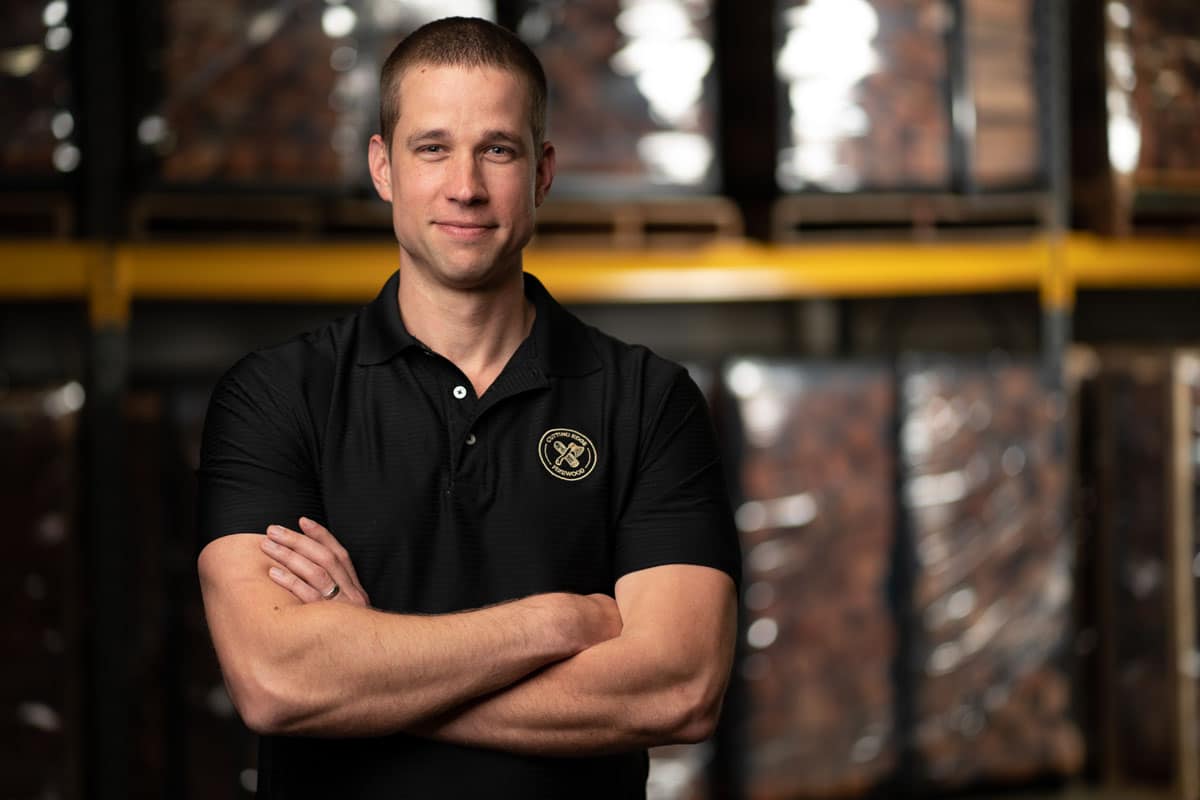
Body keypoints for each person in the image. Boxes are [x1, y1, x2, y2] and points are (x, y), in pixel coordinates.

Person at [196, 16, 740, 799]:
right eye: (432, 148)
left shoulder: (649, 401)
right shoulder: (277, 396)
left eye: (498, 149)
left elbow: (679, 688)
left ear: (543, 171)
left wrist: (366, 673)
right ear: (382, 166)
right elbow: (276, 680)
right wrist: (556, 624)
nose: (466, 186)